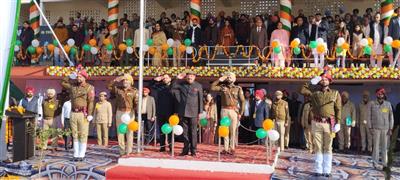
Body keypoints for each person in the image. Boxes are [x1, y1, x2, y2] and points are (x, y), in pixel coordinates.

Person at [300, 71, 342, 177]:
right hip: (316, 122)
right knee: (317, 147)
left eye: (326, 79)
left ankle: (327, 170)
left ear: (330, 81)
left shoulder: (335, 93)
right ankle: (318, 169)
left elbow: (338, 109)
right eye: (322, 79)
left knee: (328, 147)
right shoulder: (314, 93)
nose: (324, 81)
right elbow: (302, 90)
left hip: (329, 123)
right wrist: (311, 82)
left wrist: (339, 122)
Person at [61, 66, 95, 161]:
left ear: (84, 77)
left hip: (82, 114)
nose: (78, 78)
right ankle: (76, 153)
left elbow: (91, 101)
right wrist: (70, 75)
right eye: (77, 77)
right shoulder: (73, 86)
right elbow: (63, 82)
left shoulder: (89, 87)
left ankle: (82, 154)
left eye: (80, 77)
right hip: (73, 113)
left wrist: (90, 114)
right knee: (75, 134)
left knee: (83, 134)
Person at [211, 72, 245, 155]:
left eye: (231, 76)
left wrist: (241, 113)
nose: (229, 77)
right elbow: (212, 87)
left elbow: (242, 101)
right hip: (224, 110)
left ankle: (232, 148)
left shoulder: (238, 88)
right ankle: (225, 148)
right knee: (225, 130)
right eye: (228, 76)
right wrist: (220, 79)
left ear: (234, 79)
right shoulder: (222, 87)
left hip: (233, 111)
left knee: (232, 130)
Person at [173, 70, 203, 156]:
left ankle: (193, 150)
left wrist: (200, 112)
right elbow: (172, 88)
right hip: (183, 111)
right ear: (186, 77)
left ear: (194, 77)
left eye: (192, 76)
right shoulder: (182, 84)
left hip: (194, 112)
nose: (190, 77)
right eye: (188, 76)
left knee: (193, 132)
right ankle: (185, 150)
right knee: (185, 132)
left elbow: (200, 99)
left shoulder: (198, 85)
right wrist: (177, 78)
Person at [108, 74, 138, 156]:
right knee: (120, 132)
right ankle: (121, 151)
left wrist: (136, 112)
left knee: (129, 132)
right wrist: (115, 80)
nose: (125, 82)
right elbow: (108, 86)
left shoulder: (134, 91)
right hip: (120, 112)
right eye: (124, 80)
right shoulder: (118, 89)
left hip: (130, 112)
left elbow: (136, 103)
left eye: (127, 80)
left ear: (131, 82)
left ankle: (129, 150)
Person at [367, 88, 394, 170]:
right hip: (376, 128)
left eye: (381, 94)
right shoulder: (372, 103)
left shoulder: (388, 104)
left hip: (385, 129)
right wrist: (370, 127)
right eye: (378, 94)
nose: (380, 95)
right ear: (376, 94)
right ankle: (375, 163)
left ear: (384, 95)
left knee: (385, 147)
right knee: (376, 147)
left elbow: (391, 117)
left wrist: (391, 128)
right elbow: (368, 116)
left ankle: (384, 164)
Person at [151, 74, 176, 152]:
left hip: (170, 111)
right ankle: (162, 146)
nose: (165, 79)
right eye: (164, 78)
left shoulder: (173, 86)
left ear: (170, 79)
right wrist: (155, 80)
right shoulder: (159, 86)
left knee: (170, 130)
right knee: (161, 130)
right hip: (161, 111)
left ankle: (171, 146)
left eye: (166, 78)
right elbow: (151, 86)